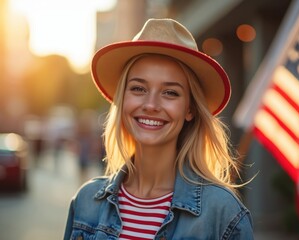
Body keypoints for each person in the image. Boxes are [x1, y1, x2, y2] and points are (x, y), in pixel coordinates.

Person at [64, 18, 253, 240]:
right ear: (122, 99)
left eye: (170, 92)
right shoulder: (85, 202)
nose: (151, 105)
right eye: (138, 88)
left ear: (189, 109)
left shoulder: (223, 214)